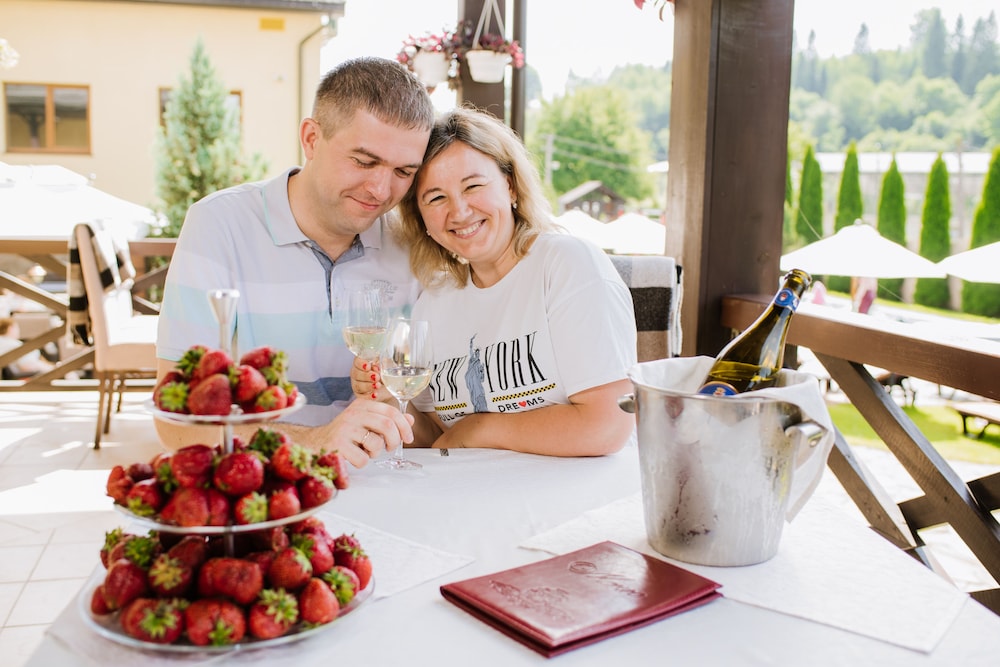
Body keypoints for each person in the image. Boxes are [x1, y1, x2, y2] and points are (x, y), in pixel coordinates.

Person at [155, 56, 435, 468]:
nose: (380, 189)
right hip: (264, 484)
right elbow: (176, 424)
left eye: (404, 172)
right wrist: (315, 441)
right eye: (363, 161)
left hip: (382, 481)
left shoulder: (414, 244)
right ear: (311, 138)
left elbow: (432, 420)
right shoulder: (219, 224)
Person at [352, 107, 637, 456]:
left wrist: (479, 427)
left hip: (577, 490)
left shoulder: (567, 264)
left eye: (473, 186)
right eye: (436, 198)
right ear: (422, 218)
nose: (459, 212)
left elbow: (607, 426)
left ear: (511, 186)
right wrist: (390, 397)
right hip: (472, 488)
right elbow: (437, 436)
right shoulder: (435, 300)